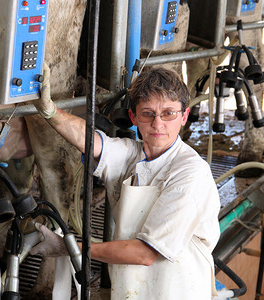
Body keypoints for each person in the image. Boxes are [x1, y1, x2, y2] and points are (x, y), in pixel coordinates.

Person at [30, 66, 221, 299]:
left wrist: (70, 248)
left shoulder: (190, 173)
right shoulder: (133, 154)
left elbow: (146, 254)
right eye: (148, 113)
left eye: (168, 113)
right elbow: (90, 141)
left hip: (178, 289)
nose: (158, 124)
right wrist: (50, 112)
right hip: (134, 288)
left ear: (184, 116)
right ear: (133, 118)